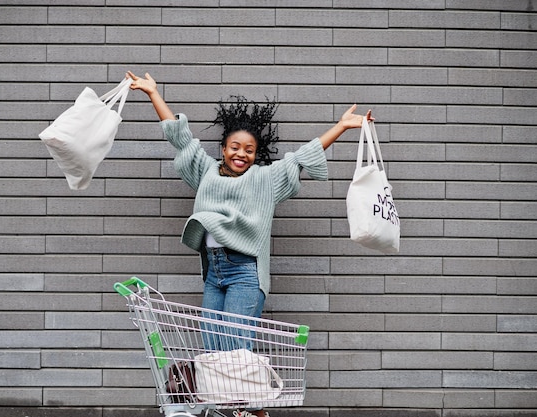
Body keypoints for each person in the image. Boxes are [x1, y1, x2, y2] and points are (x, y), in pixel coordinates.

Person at [127, 71, 372, 417]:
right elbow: (180, 139)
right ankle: (247, 409)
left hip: (244, 272)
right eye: (234, 147)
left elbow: (301, 159)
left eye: (249, 150)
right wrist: (153, 93)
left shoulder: (265, 179)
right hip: (214, 273)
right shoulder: (206, 171)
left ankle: (251, 409)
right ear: (224, 148)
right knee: (213, 348)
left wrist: (342, 126)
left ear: (257, 154)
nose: (241, 154)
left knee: (236, 349)